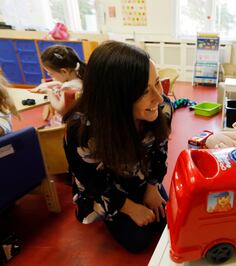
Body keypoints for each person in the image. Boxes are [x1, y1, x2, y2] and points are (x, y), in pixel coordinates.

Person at [63, 41, 173, 252]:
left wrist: (153, 186)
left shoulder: (163, 107)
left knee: (169, 220)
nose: (159, 97)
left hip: (141, 177)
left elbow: (160, 151)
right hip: (107, 186)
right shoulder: (83, 130)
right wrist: (130, 208)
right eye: (143, 91)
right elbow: (93, 180)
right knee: (138, 241)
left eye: (157, 83)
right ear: (114, 98)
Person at [30, 45, 86, 126]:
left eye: (51, 74)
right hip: (78, 121)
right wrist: (52, 84)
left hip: (64, 125)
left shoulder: (67, 88)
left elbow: (61, 110)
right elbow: (64, 84)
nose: (49, 75)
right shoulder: (80, 77)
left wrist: (48, 92)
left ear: (64, 71)